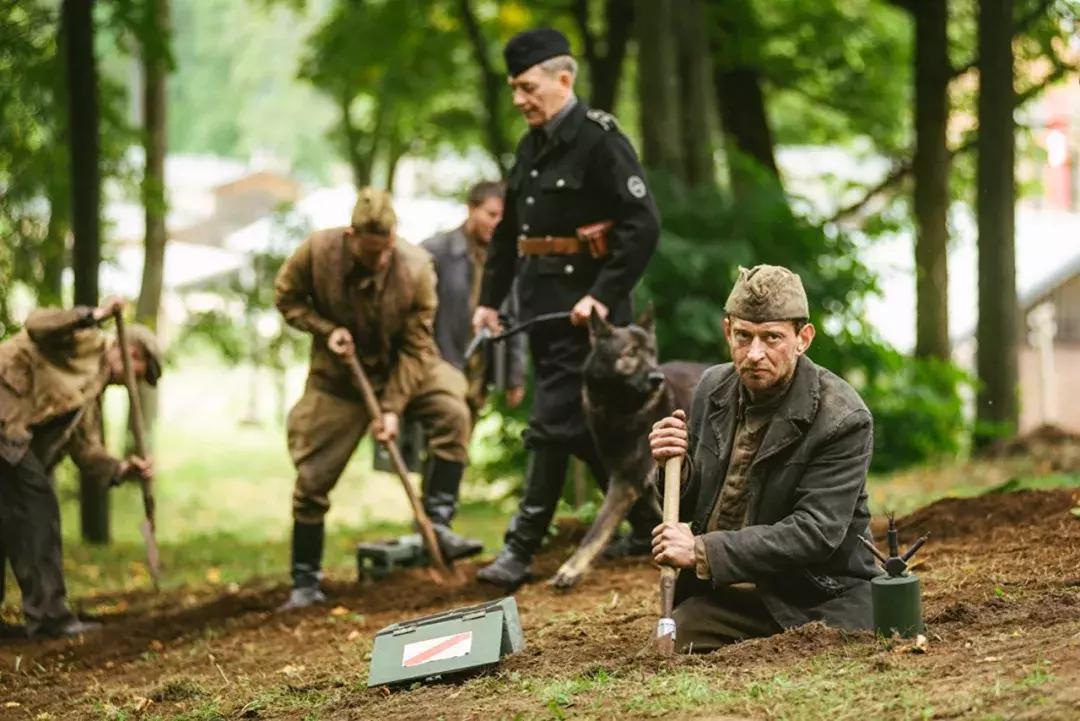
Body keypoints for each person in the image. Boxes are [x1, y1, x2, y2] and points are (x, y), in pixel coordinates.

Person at [473, 28, 661, 588]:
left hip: (590, 322)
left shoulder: (600, 141)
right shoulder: (531, 146)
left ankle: (520, 548)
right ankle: (651, 523)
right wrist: (488, 302)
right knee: (583, 429)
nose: (519, 100)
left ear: (564, 79)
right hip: (542, 310)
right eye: (513, 89)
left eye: (528, 87)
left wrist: (600, 296)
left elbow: (642, 226)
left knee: (551, 425)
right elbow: (509, 235)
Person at [648, 265, 878, 653]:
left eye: (772, 338)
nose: (755, 354)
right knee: (665, 647)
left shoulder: (843, 417)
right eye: (744, 336)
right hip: (729, 587)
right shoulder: (712, 389)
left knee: (679, 641)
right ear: (728, 332)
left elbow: (815, 533)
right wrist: (672, 465)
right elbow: (692, 505)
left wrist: (702, 550)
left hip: (814, 596)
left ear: (803, 338)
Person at [274, 187, 482, 611]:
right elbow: (287, 299)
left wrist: (391, 408)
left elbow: (417, 346)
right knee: (313, 474)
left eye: (386, 251)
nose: (380, 261)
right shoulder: (315, 253)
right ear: (351, 236)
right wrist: (324, 327)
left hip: (404, 367)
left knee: (451, 408)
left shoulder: (417, 267)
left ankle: (438, 523)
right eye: (371, 255)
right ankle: (305, 580)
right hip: (339, 380)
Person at [0, 299, 160, 638]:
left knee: (9, 517)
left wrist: (122, 469)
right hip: (5, 419)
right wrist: (92, 316)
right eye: (141, 371)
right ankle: (49, 618)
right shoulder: (84, 341)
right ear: (131, 352)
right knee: (37, 509)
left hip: (11, 437)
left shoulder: (90, 393)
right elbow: (37, 322)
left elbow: (87, 451)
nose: (133, 381)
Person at [422, 181, 526, 421]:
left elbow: (515, 316)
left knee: (461, 440)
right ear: (471, 209)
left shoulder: (507, 261)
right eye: (491, 214)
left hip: (479, 372)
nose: (497, 222)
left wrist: (514, 375)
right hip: (439, 365)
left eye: (503, 216)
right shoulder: (436, 251)